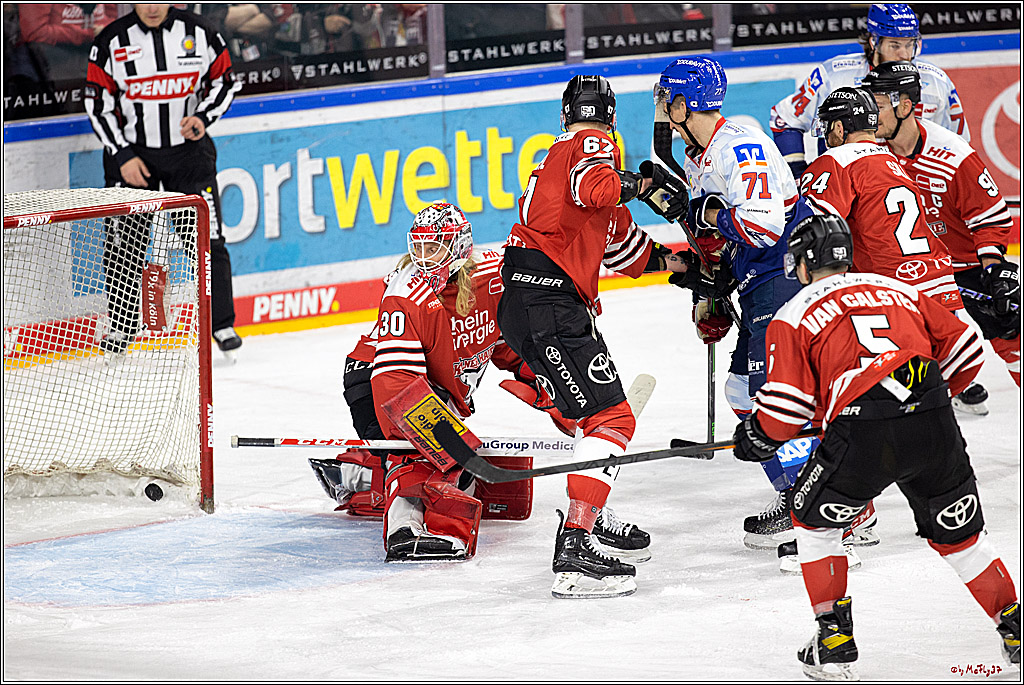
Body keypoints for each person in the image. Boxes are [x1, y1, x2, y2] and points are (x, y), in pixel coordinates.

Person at [733, 214, 1020, 680]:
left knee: (811, 522)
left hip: (862, 435)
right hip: (932, 419)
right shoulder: (897, 290)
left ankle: (835, 644)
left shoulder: (792, 312)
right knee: (963, 539)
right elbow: (966, 348)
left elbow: (785, 410)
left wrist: (758, 436)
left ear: (804, 263)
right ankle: (1017, 632)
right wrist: (919, 401)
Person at [309, 202, 641, 564]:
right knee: (425, 456)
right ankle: (403, 531)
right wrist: (448, 440)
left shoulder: (494, 278)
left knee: (456, 468)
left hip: (431, 384)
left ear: (459, 247)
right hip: (376, 379)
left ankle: (354, 474)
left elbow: (509, 342)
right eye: (417, 247)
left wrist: (553, 389)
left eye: (433, 247)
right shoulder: (405, 295)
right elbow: (396, 383)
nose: (423, 258)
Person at [647, 56, 864, 558]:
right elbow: (724, 239)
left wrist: (714, 214)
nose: (660, 109)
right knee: (741, 389)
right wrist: (711, 288)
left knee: (774, 393)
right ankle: (798, 496)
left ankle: (829, 516)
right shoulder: (701, 155)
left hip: (784, 274)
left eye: (665, 99)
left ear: (683, 103)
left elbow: (762, 226)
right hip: (758, 277)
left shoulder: (736, 145)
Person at [498, 74, 676, 598]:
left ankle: (590, 514)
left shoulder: (557, 158)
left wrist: (686, 267)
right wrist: (642, 185)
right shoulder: (590, 144)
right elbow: (596, 186)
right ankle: (574, 548)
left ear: (563, 112)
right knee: (613, 417)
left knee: (586, 419)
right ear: (610, 118)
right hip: (551, 306)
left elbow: (626, 247)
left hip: (527, 304)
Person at [801, 87, 988, 416]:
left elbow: (816, 232)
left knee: (882, 394)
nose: (828, 135)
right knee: (928, 389)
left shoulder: (833, 161)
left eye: (830, 126)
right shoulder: (894, 160)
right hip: (940, 285)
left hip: (892, 295)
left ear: (841, 128)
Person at [85, 4, 243, 356]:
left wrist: (203, 117)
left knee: (207, 240)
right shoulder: (110, 40)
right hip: (132, 157)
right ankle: (123, 326)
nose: (153, 7)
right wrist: (122, 154)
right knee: (123, 247)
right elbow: (97, 104)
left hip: (189, 156)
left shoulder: (202, 33)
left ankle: (221, 323)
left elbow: (226, 82)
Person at [862, 60, 1020, 395]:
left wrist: (993, 269)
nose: (870, 116)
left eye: (876, 107)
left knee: (1011, 325)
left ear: (905, 105)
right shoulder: (867, 155)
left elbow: (990, 218)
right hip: (904, 275)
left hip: (963, 269)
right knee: (903, 366)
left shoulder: (952, 154)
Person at [770, 3, 969, 180]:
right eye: (895, 45)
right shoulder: (834, 75)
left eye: (909, 44)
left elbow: (960, 145)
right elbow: (784, 119)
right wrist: (796, 175)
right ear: (874, 42)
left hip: (915, 190)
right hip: (847, 191)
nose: (904, 54)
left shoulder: (936, 82)